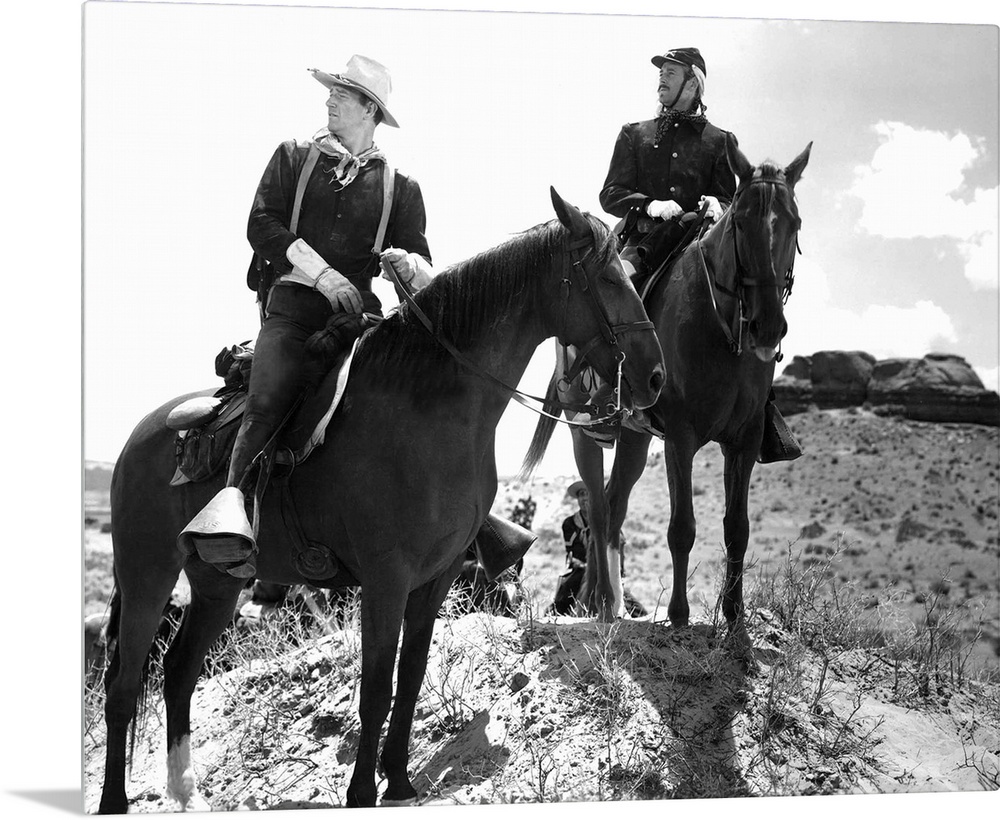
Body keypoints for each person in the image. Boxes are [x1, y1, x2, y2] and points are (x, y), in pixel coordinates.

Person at [179, 55, 437, 577]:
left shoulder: (402, 185)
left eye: (342, 94)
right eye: (331, 91)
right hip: (292, 312)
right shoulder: (292, 156)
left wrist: (407, 264)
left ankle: (457, 526)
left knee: (422, 396)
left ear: (369, 110)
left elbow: (422, 262)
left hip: (359, 321)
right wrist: (325, 276)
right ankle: (232, 518)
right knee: (265, 405)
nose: (329, 99)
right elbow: (261, 225)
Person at [598, 46, 801, 463]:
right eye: (661, 73)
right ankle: (605, 395)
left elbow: (734, 199)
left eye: (671, 73)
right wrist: (648, 204)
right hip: (645, 240)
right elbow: (610, 194)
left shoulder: (721, 142)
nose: (662, 78)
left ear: (693, 83)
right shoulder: (633, 134)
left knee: (751, 295)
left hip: (700, 240)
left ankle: (760, 406)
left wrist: (718, 203)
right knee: (615, 293)